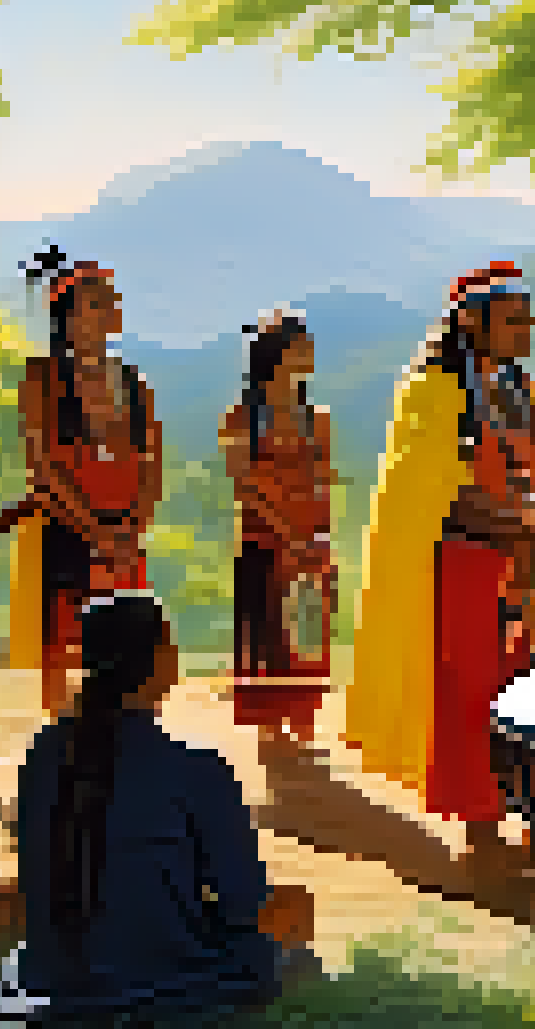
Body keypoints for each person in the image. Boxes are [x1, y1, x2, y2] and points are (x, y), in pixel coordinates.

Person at [346, 262, 535, 873]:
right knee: (475, 692)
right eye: (513, 320)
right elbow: (437, 494)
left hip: (528, 568)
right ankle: (481, 830)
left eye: (527, 318)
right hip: (469, 565)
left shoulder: (521, 392)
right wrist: (522, 527)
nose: (526, 329)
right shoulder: (434, 390)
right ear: (473, 323)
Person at [0, 591, 318, 1025]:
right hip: (169, 988)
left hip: (55, 982)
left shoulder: (43, 756)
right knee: (294, 912)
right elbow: (245, 903)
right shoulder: (196, 769)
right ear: (160, 662)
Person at [17, 249, 163, 716]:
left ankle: (125, 729)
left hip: (124, 530)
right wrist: (94, 530)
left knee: (125, 638)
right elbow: (41, 467)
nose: (107, 311)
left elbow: (152, 462)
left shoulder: (133, 381)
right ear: (68, 317)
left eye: (110, 301)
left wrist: (132, 530)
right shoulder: (42, 378)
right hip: (65, 525)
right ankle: (62, 733)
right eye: (95, 303)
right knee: (62, 644)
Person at [221, 310, 337, 748]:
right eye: (301, 346)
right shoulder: (241, 418)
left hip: (309, 546)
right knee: (265, 636)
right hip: (263, 542)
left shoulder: (317, 419)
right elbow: (244, 485)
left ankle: (303, 723)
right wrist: (288, 534)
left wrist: (318, 539)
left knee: (306, 637)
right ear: (278, 355)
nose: (310, 354)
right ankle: (270, 729)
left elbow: (323, 482)